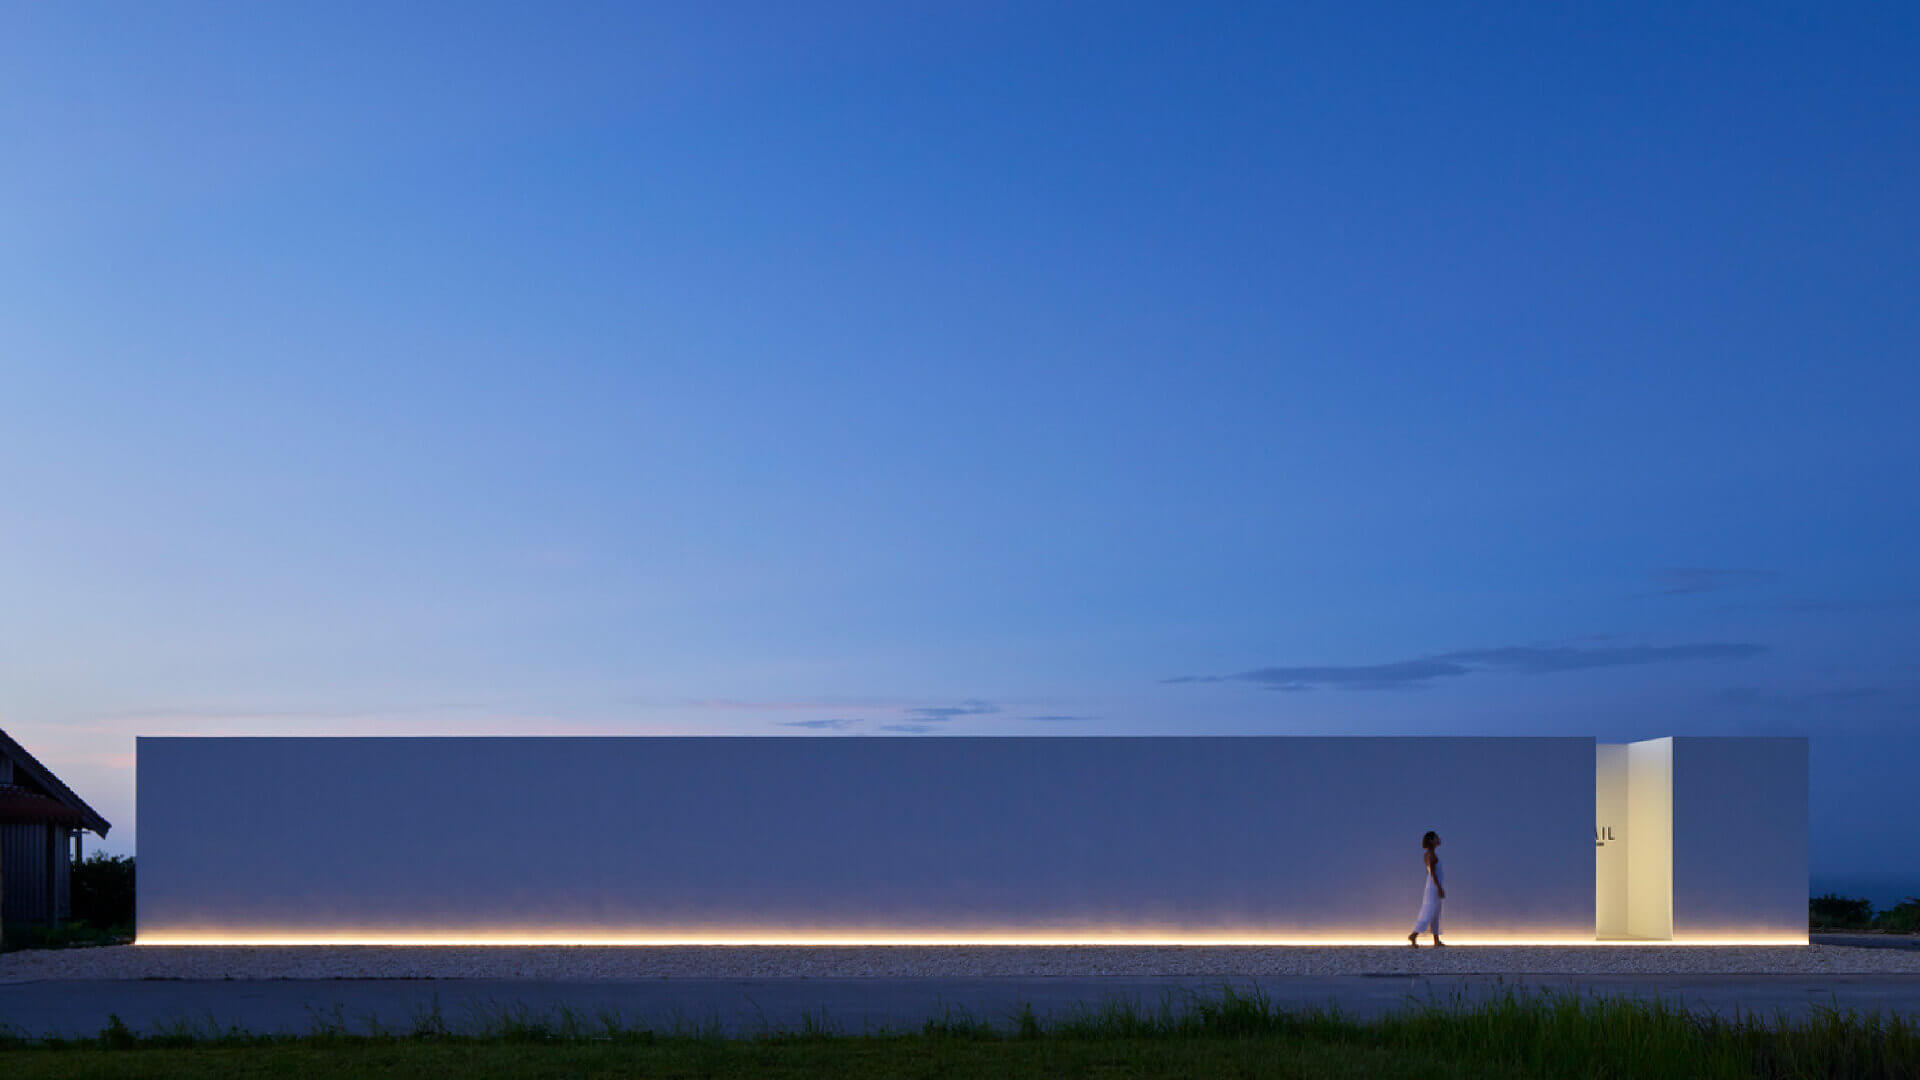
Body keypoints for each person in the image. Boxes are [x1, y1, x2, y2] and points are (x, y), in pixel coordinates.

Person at [1408, 830, 1445, 947]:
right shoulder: (1431, 855)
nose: (1439, 839)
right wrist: (1439, 887)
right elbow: (1433, 873)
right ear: (1431, 841)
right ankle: (1414, 935)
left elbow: (1429, 872)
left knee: (1435, 911)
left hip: (1431, 885)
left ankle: (1436, 939)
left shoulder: (1428, 854)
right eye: (1436, 838)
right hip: (1434, 886)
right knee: (1429, 911)